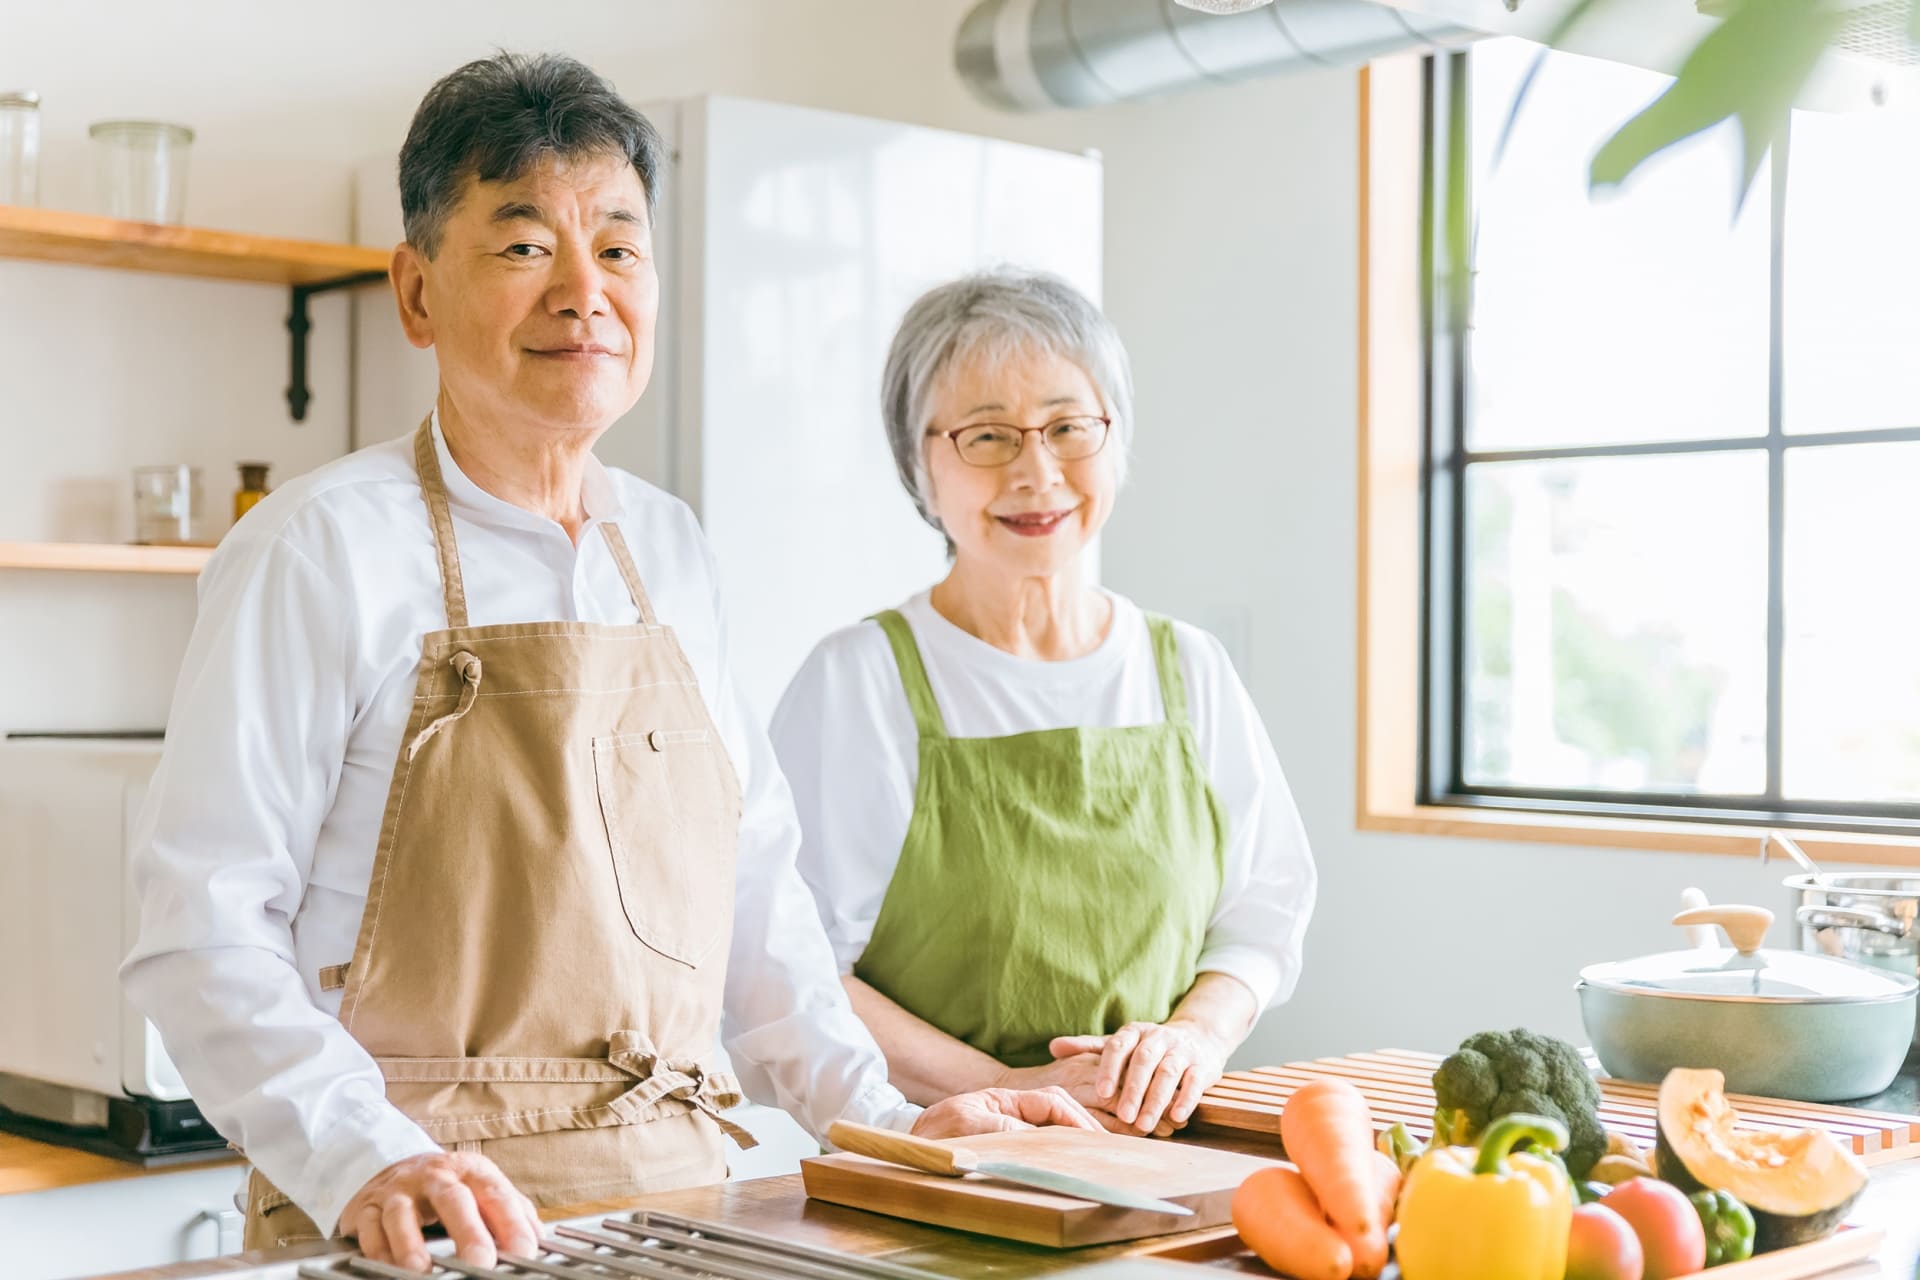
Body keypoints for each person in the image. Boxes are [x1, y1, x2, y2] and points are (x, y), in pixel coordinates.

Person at [121, 57, 1093, 1274]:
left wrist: (888, 1122)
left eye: (620, 250)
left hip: (675, 1210)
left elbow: (758, 914)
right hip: (419, 1226)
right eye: (525, 246)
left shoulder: (669, 547)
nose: (585, 293)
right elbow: (199, 929)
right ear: (416, 292)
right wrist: (366, 1155)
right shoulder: (317, 547)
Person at [771, 270, 1317, 1139]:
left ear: (1116, 440)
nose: (1037, 471)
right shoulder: (857, 682)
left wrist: (1193, 1040)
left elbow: (1262, 920)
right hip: (939, 1159)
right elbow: (787, 969)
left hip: (1163, 1158)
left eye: (1069, 427)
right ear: (919, 462)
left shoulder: (1190, 671)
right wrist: (1004, 1089)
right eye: (987, 436)